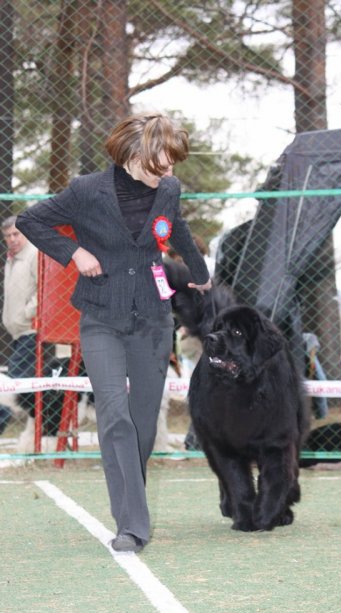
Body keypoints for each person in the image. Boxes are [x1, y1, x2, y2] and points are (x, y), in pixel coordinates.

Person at [16, 112, 212, 552]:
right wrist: (74, 253)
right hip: (101, 316)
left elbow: (174, 226)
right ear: (138, 152)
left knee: (142, 423)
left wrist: (199, 273)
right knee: (113, 412)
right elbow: (32, 221)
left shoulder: (168, 188)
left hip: (153, 318)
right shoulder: (87, 191)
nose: (173, 169)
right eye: (166, 158)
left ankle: (129, 508)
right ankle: (132, 525)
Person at [0, 216, 38, 433]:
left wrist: (26, 314)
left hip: (31, 331)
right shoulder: (11, 258)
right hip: (18, 333)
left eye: (17, 234)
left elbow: (44, 291)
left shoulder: (34, 255)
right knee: (20, 386)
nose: (12, 239)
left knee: (10, 386)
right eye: (8, 236)